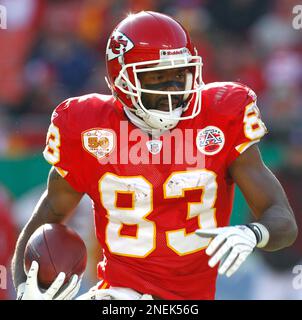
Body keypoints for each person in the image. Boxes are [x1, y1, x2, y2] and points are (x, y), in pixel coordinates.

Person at [11, 11, 298, 300]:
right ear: (121, 80)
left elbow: (284, 221)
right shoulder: (87, 127)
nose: (172, 89)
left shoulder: (221, 116)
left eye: (179, 75)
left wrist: (254, 233)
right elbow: (48, 216)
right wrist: (26, 288)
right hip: (119, 295)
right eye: (158, 78)